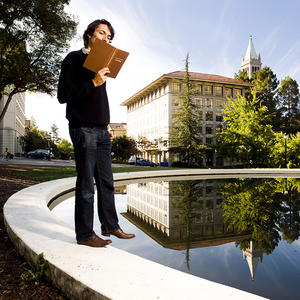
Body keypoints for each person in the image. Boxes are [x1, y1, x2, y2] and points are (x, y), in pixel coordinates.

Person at [57, 19, 135, 247]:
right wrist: (93, 81)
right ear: (89, 35)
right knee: (85, 185)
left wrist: (107, 125)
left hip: (102, 131)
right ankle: (85, 235)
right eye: (102, 33)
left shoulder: (103, 64)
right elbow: (64, 95)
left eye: (109, 37)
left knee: (107, 182)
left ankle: (110, 225)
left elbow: (99, 100)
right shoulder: (73, 59)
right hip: (83, 129)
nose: (105, 38)